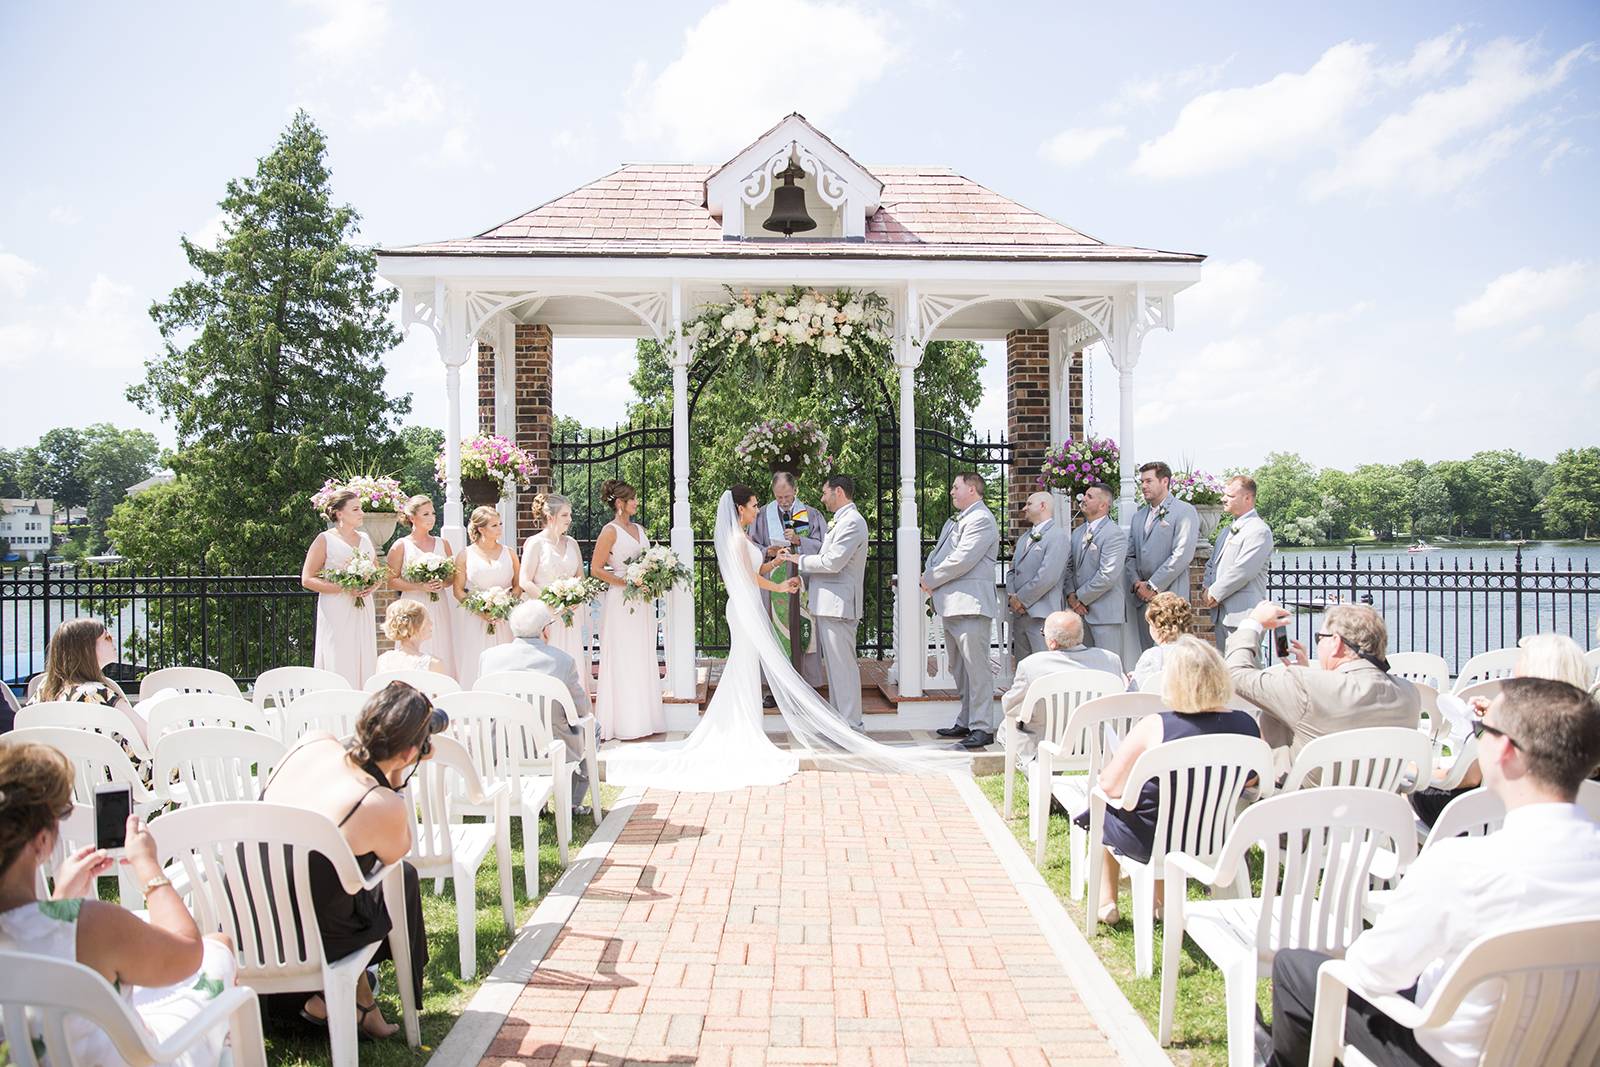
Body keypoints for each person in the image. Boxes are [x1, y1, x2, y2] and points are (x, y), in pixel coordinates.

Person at [1266, 678, 1600, 1067]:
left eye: (1481, 730)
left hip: (1451, 1055)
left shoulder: (1462, 866)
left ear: (1506, 750)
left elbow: (1371, 972)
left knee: (1295, 969)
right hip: (1574, 1049)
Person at [605, 489, 967, 791]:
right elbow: (750, 578)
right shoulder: (735, 538)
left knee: (744, 669)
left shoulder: (744, 538)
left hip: (747, 606)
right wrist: (779, 582)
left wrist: (776, 559)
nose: (757, 509)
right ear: (740, 509)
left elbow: (756, 569)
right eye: (753, 505)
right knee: (745, 667)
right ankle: (742, 729)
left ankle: (744, 724)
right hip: (744, 608)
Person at [0, 740, 240, 1066]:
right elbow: (188, 953)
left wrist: (59, 900)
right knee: (218, 946)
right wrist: (148, 867)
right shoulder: (89, 925)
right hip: (140, 1058)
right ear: (41, 839)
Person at [257, 682, 434, 1038]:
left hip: (253, 911)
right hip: (311, 934)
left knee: (328, 879)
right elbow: (395, 854)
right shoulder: (377, 802)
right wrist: (399, 775)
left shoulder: (313, 742)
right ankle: (358, 1002)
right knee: (405, 877)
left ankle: (346, 1000)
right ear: (409, 752)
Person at [1075, 636, 1260, 925]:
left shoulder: (1155, 726)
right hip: (1217, 836)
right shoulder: (1246, 724)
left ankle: (1106, 901)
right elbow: (1252, 780)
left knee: (1107, 810)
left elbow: (1109, 785)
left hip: (1153, 840)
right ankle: (1159, 904)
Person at [1411, 632, 1592, 826]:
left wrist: (1417, 770)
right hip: (1571, 820)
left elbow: (1469, 779)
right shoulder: (1586, 724)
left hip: (1485, 820)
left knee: (1409, 786)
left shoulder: (1514, 724)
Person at [1228, 601, 1420, 771]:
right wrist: (1307, 673)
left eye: (1319, 638)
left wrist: (1252, 623)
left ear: (1336, 642)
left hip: (1305, 802)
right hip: (1377, 801)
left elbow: (1235, 673)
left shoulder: (1305, 687)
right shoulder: (1410, 693)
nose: (1318, 646)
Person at [478, 599, 596, 814]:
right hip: (552, 749)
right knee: (593, 728)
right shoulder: (563, 661)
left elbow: (483, 706)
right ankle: (570, 801)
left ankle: (536, 801)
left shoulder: (489, 658)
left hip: (503, 749)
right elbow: (582, 710)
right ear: (545, 631)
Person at [780, 474, 868, 732]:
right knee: (837, 670)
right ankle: (843, 724)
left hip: (839, 606)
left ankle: (852, 725)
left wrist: (797, 560)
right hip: (830, 605)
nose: (822, 497)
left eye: (824, 492)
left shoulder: (852, 522)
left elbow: (832, 562)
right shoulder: (842, 521)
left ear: (838, 492)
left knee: (844, 669)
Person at [924, 473, 1002, 750]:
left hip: (970, 604)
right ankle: (967, 719)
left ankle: (982, 726)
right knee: (959, 668)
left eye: (955, 487)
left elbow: (963, 559)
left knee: (977, 668)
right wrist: (928, 573)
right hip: (951, 604)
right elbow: (938, 554)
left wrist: (929, 579)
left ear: (971, 489)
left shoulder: (981, 519)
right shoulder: (955, 520)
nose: (951, 492)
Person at [591, 480, 665, 740]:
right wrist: (627, 582)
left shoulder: (639, 528)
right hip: (621, 601)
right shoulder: (609, 531)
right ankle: (623, 723)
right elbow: (597, 569)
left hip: (642, 602)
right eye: (632, 499)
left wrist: (654, 577)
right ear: (620, 503)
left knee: (642, 654)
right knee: (623, 657)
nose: (636, 502)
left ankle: (644, 720)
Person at [1000, 611, 1126, 760]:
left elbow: (1011, 707)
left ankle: (1033, 771)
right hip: (1096, 745)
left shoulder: (1031, 666)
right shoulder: (1110, 660)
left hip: (1047, 746)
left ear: (1052, 642)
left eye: (1043, 633)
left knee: (1005, 728)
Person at [750, 471, 828, 689]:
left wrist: (799, 540)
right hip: (773, 583)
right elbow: (751, 546)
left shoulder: (810, 515)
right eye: (779, 497)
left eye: (787, 496)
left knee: (802, 629)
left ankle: (806, 684)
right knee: (774, 632)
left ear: (795, 490)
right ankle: (773, 687)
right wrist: (768, 549)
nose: (783, 501)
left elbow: (823, 547)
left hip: (800, 581)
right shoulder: (762, 515)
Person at [301, 489, 381, 687]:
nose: (361, 513)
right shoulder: (324, 539)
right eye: (355, 509)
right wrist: (344, 588)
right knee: (338, 653)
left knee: (364, 651)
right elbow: (307, 579)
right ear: (339, 513)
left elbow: (377, 573)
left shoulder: (365, 539)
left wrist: (371, 586)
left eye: (360, 508)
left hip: (363, 606)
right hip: (336, 608)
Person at [1125, 461, 1199, 655]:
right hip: (1142, 599)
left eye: (1148, 481)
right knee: (1149, 655)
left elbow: (1182, 555)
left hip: (1171, 597)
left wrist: (1152, 586)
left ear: (1164, 481)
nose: (1143, 486)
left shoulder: (1184, 511)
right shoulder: (1138, 516)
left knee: (1175, 655)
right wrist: (1137, 583)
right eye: (1141, 481)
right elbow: (1130, 555)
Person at [518, 492, 589, 685]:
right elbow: (525, 581)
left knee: (571, 663)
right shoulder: (535, 544)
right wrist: (554, 602)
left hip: (570, 617)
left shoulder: (572, 543)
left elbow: (580, 578)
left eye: (570, 515)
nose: (570, 519)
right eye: (565, 515)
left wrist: (575, 598)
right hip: (546, 616)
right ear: (551, 517)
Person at [1199, 475, 1273, 649]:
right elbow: (1212, 563)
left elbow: (1243, 571)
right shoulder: (1226, 531)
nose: (1224, 499)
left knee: (1244, 670)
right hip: (1221, 615)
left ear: (1247, 498)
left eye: (1230, 496)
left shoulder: (1259, 530)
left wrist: (1214, 593)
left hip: (1243, 616)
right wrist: (1206, 586)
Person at [451, 505, 519, 690]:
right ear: (481, 529)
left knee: (506, 661)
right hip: (476, 619)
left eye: (500, 524)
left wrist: (504, 606)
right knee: (476, 659)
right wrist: (480, 611)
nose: (500, 528)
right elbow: (458, 590)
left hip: (505, 618)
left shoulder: (510, 553)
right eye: (494, 525)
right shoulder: (465, 555)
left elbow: (518, 585)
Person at [385, 494, 456, 667]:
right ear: (412, 517)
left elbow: (452, 577)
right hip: (412, 604)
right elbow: (391, 580)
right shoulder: (400, 545)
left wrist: (443, 583)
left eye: (432, 513)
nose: (431, 518)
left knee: (441, 643)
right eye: (425, 514)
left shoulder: (443, 544)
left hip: (439, 603)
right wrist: (420, 586)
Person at [1065, 481, 1129, 660]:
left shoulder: (1114, 534)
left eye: (1089, 496)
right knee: (1082, 667)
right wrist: (1070, 595)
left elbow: (1107, 575)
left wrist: (1080, 598)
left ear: (1103, 505)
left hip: (1104, 615)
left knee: (1108, 666)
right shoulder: (1078, 532)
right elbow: (1069, 567)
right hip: (1078, 614)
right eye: (1084, 495)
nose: (1083, 499)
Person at [1005, 492, 1069, 661]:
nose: (1024, 508)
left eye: (1029, 504)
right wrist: (1012, 597)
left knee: (1044, 665)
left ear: (1043, 506)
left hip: (1042, 614)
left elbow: (1048, 576)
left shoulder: (1057, 536)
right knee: (1023, 667)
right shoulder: (1025, 537)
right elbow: (1012, 570)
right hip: (1020, 614)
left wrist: (1022, 600)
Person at [1130, 592, 1193, 693]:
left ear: (1157, 626)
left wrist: (1131, 680)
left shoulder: (1152, 656)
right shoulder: (1199, 652)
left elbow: (1134, 693)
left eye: (1150, 624)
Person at [375, 599, 449, 676]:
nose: (431, 623)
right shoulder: (433, 664)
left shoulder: (383, 660)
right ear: (417, 625)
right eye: (427, 620)